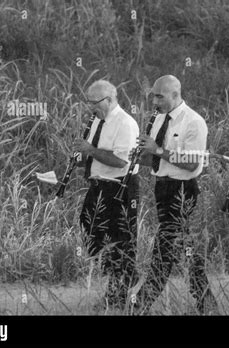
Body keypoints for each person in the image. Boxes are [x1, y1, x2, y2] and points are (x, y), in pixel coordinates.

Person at [134, 75, 217, 314]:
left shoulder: (194, 122)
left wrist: (157, 149)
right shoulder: (159, 119)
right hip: (163, 188)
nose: (155, 102)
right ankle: (207, 303)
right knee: (186, 251)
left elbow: (192, 163)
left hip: (183, 190)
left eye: (159, 96)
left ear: (175, 94)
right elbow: (157, 159)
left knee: (165, 249)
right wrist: (141, 156)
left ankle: (140, 303)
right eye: (154, 96)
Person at [74, 80, 140, 310]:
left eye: (95, 102)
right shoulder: (96, 122)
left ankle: (119, 291)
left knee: (120, 239)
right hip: (98, 186)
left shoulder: (125, 124)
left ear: (110, 100)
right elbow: (95, 155)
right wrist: (82, 157)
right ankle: (122, 275)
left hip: (121, 187)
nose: (91, 107)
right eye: (89, 102)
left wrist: (90, 150)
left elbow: (121, 161)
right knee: (89, 228)